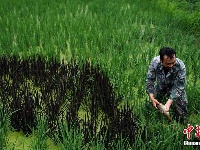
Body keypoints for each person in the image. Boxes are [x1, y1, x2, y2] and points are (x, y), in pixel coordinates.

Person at [146, 47, 188, 123]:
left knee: (182, 113)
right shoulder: (155, 62)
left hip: (175, 88)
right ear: (161, 60)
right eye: (168, 63)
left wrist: (167, 105)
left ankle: (181, 123)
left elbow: (179, 87)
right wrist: (152, 97)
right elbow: (150, 80)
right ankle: (151, 118)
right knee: (151, 105)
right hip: (160, 86)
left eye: (173, 62)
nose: (171, 65)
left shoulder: (181, 66)